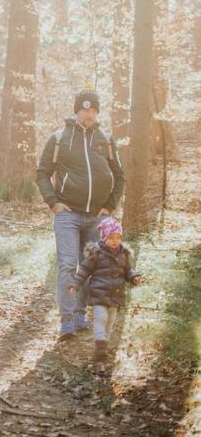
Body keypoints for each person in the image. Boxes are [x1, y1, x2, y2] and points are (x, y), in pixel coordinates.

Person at [36, 88, 126, 340]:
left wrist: (109, 206)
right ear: (76, 110)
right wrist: (53, 202)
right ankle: (66, 321)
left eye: (93, 110)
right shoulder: (60, 138)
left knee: (89, 267)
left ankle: (79, 314)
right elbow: (42, 172)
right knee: (67, 266)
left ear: (98, 112)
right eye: (85, 109)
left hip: (96, 217)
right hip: (67, 214)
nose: (89, 114)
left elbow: (120, 175)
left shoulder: (105, 139)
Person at [69, 217, 142, 361]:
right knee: (101, 318)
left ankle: (105, 344)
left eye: (118, 237)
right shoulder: (96, 253)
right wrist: (75, 285)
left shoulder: (124, 254)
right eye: (111, 237)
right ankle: (99, 346)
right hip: (99, 294)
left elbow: (128, 271)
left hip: (116, 295)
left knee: (110, 321)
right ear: (103, 238)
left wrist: (134, 278)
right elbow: (84, 270)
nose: (115, 241)